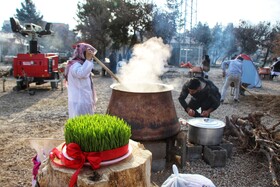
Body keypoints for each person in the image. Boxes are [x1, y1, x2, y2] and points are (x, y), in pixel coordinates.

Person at [64, 43, 98, 118]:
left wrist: (89, 60)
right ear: (82, 53)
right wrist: (88, 60)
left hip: (83, 99)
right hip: (80, 100)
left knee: (86, 122)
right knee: (81, 122)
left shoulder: (81, 64)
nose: (91, 56)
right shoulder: (75, 65)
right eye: (88, 54)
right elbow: (82, 74)